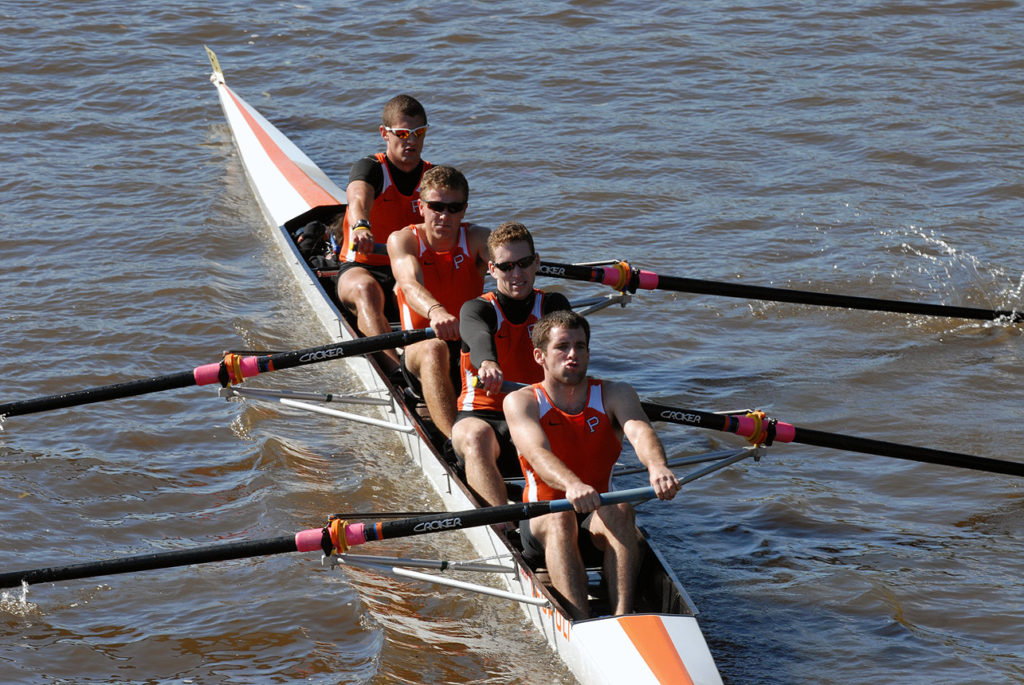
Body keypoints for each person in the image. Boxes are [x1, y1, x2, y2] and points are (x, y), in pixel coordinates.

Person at [504, 310, 681, 619]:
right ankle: (581, 623)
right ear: (539, 356)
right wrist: (572, 484)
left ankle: (623, 617)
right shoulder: (522, 401)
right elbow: (536, 453)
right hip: (542, 521)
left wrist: (657, 467)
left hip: (596, 517)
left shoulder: (616, 393)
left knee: (622, 508)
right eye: (562, 347)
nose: (573, 354)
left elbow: (640, 431)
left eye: (580, 346)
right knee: (561, 518)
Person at [452, 222, 571, 507]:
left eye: (524, 263)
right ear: (492, 269)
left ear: (536, 262)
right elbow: (480, 338)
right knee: (475, 436)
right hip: (483, 415)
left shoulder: (553, 305)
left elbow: (569, 353)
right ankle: (501, 525)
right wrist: (488, 364)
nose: (516, 274)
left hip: (535, 411)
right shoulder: (476, 309)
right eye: (506, 267)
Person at [331, 94, 432, 373]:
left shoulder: (433, 177)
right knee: (366, 290)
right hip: (362, 265)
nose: (410, 141)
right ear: (384, 134)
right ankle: (395, 373)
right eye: (402, 133)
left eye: (418, 133)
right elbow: (358, 199)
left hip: (408, 269)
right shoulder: (371, 168)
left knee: (417, 287)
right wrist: (361, 225)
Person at [387, 165, 489, 438]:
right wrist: (436, 311)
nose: (445, 215)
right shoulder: (404, 240)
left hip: (468, 344)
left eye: (454, 208)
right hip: (421, 346)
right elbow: (409, 285)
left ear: (464, 210)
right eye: (436, 207)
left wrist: (520, 267)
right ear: (421, 207)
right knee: (435, 349)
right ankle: (453, 443)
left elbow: (509, 263)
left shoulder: (478, 238)